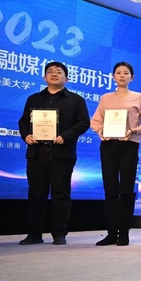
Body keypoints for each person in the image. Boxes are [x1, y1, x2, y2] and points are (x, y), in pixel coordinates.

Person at [17, 61, 90, 245]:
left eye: (59, 72)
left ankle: (59, 233)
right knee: (36, 194)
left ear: (67, 78)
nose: (54, 74)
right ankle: (34, 234)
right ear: (44, 77)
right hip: (36, 153)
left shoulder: (76, 100)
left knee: (60, 194)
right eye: (50, 71)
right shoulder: (33, 99)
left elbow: (84, 122)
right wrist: (26, 135)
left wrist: (65, 136)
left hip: (62, 153)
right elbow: (23, 122)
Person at [90, 62, 141, 246]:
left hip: (129, 146)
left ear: (132, 78)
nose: (122, 75)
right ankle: (111, 233)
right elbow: (95, 121)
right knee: (110, 189)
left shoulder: (138, 97)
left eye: (126, 73)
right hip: (108, 146)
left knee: (126, 190)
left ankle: (124, 233)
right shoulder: (105, 98)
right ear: (113, 77)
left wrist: (133, 130)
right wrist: (101, 131)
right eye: (118, 73)